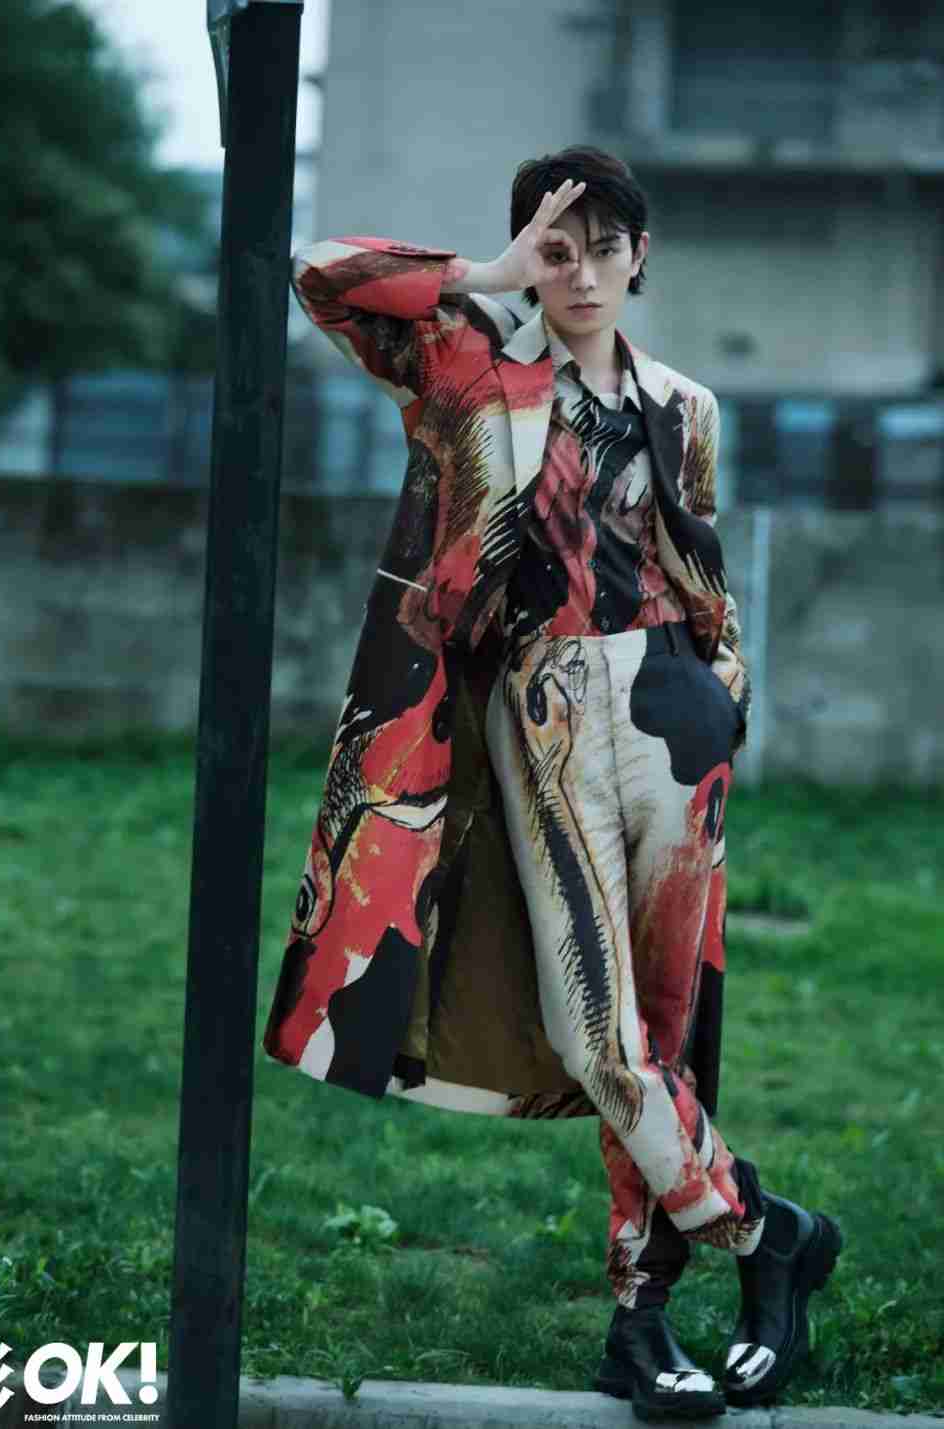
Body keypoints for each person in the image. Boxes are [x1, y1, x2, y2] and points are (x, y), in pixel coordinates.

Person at [262, 146, 842, 1421]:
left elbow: (700, 565)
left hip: (675, 715)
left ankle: (641, 1321)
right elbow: (320, 277)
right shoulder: (470, 370)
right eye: (557, 250)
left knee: (666, 1035)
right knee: (599, 1034)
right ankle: (767, 1232)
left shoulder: (685, 405)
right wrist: (488, 271)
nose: (580, 274)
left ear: (642, 259)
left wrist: (725, 694)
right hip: (543, 710)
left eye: (602, 249)